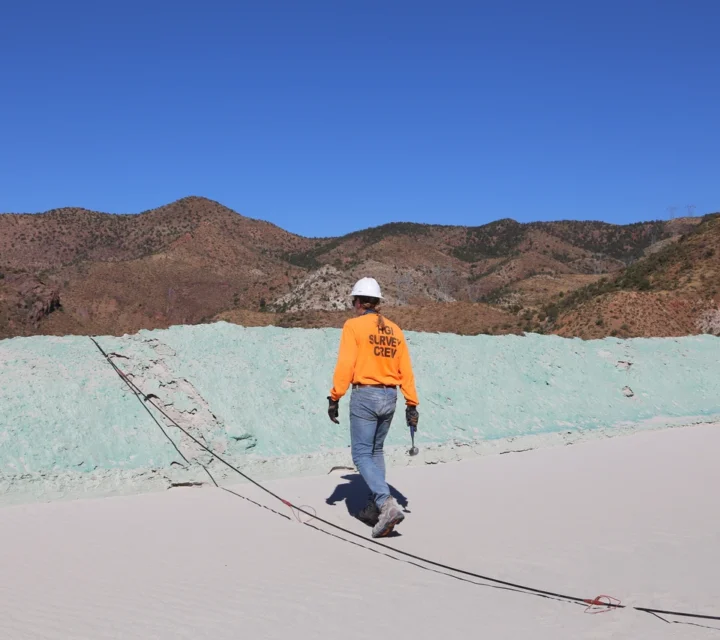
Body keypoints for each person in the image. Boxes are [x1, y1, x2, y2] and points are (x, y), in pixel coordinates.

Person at [327, 277, 419, 538]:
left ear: (358, 302)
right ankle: (378, 505)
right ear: (377, 302)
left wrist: (335, 396)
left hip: (365, 396)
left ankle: (385, 503)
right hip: (390, 397)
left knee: (360, 454)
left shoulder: (353, 326)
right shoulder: (395, 330)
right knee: (376, 450)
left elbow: (346, 364)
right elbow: (407, 371)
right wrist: (412, 403)